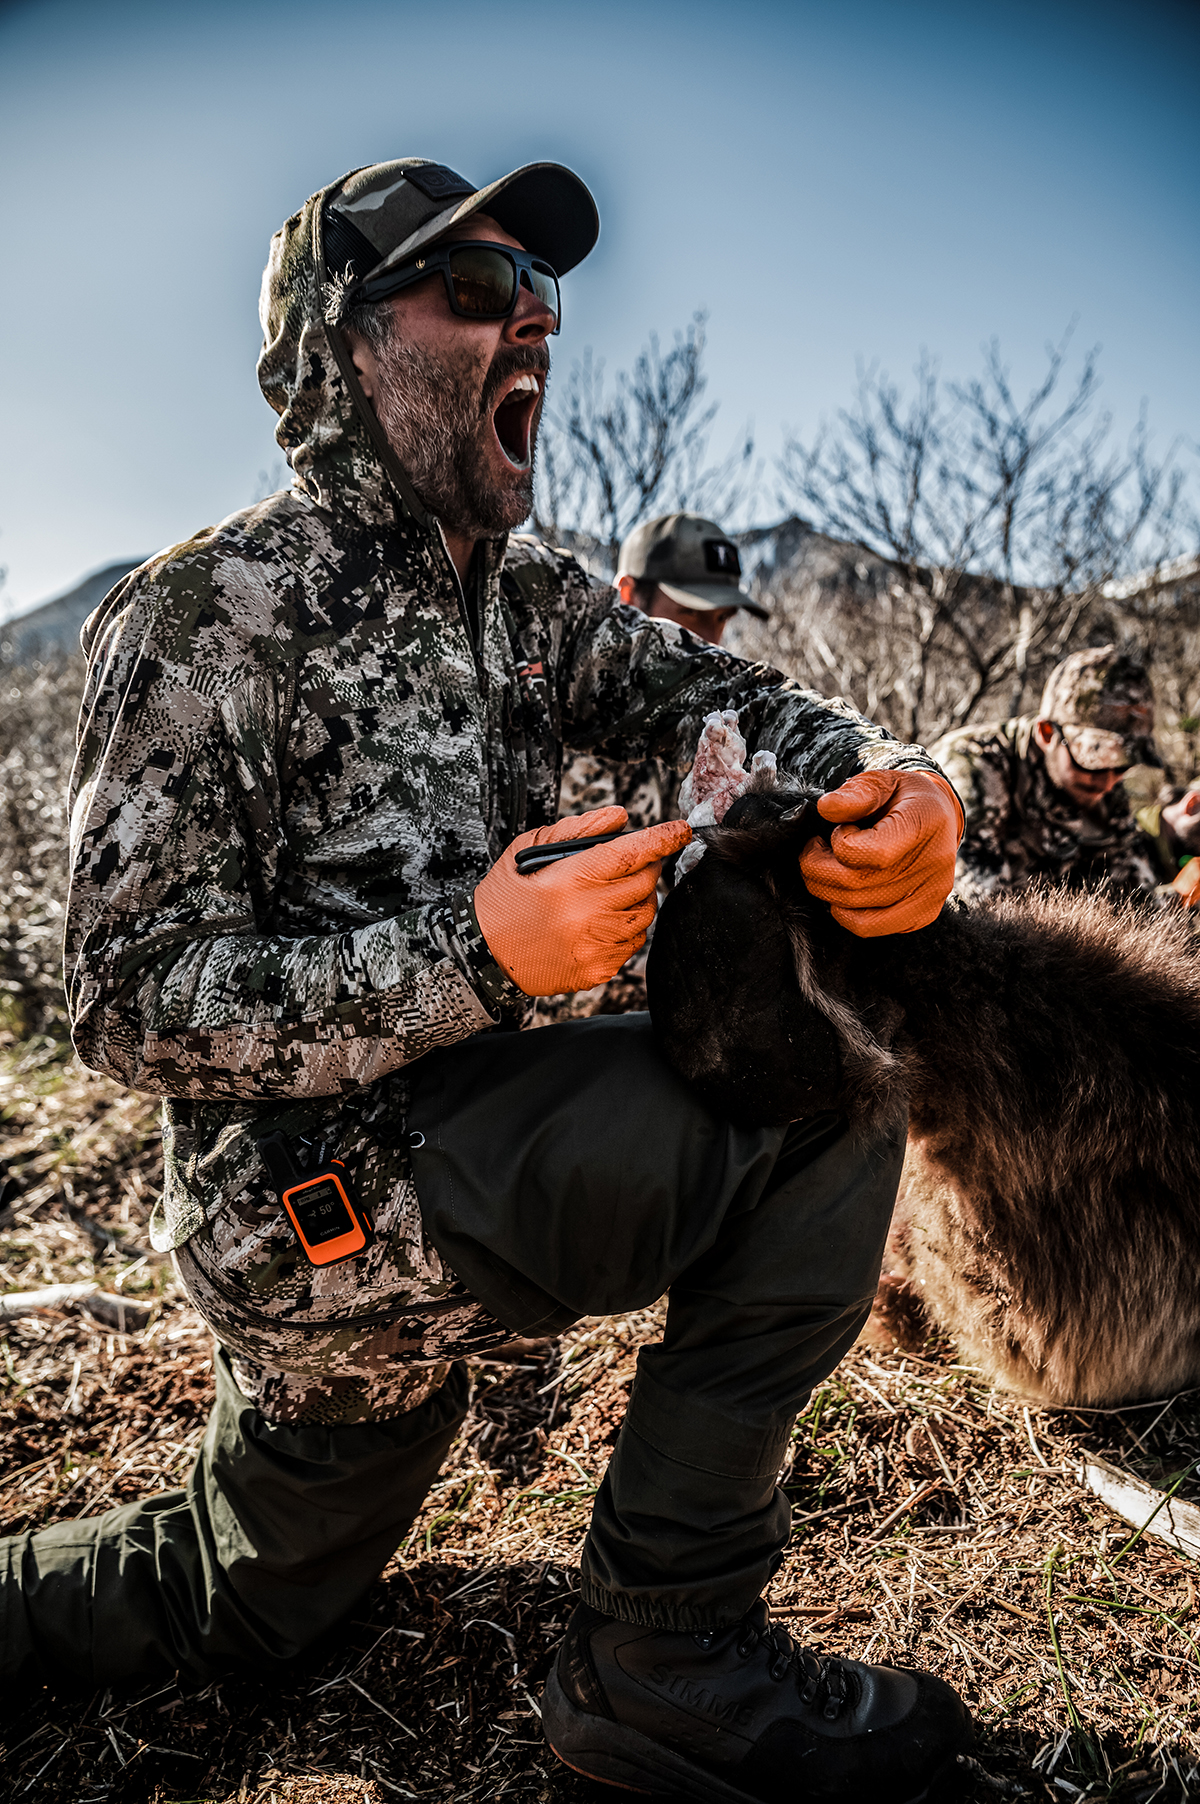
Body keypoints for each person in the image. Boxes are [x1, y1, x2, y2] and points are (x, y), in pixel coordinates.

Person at [0, 156, 971, 1801]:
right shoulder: (201, 616)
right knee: (825, 1107)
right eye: (472, 287)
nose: (535, 311)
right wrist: (473, 954)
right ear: (332, 348)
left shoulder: (531, 603)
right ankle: (671, 1658)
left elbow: (732, 717)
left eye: (541, 288)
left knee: (243, 1601)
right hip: (309, 1220)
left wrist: (910, 785)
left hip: (451, 1191)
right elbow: (118, 999)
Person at [559, 510, 769, 831]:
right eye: (692, 614)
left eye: (722, 617)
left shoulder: (711, 720)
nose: (713, 643)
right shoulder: (567, 706)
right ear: (628, 598)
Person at [932, 645, 1163, 902]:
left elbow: (1140, 895)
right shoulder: (972, 765)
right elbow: (982, 911)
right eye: (1094, 757)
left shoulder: (1102, 786)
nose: (1108, 781)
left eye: (1123, 764)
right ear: (1046, 733)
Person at [1134, 779, 1200, 908]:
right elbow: (1124, 905)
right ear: (1192, 804)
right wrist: (1179, 894)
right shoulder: (1131, 838)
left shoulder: (1187, 848)